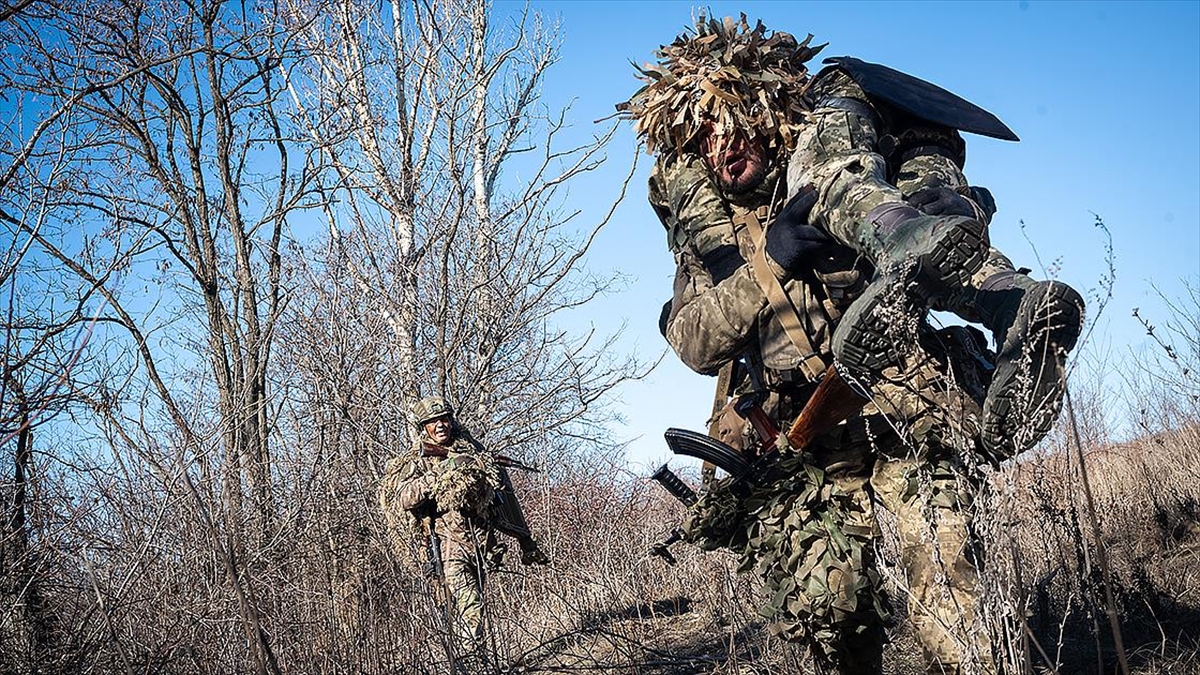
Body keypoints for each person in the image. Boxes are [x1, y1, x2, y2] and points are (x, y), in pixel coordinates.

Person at [620, 15, 1033, 674]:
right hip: (803, 445)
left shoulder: (834, 173)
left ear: (769, 119)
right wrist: (769, 264)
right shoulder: (710, 245)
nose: (724, 149)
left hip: (903, 406)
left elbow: (927, 226)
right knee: (835, 626)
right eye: (706, 139)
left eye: (736, 129)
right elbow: (693, 340)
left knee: (949, 586)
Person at [378, 396, 548, 651]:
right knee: (471, 609)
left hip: (479, 545)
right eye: (432, 421)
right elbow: (403, 498)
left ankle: (466, 660)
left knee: (468, 611)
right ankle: (468, 660)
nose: (439, 425)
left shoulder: (471, 450)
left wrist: (524, 539)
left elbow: (502, 497)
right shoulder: (417, 459)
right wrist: (437, 476)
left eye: (444, 419)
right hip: (446, 548)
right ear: (423, 427)